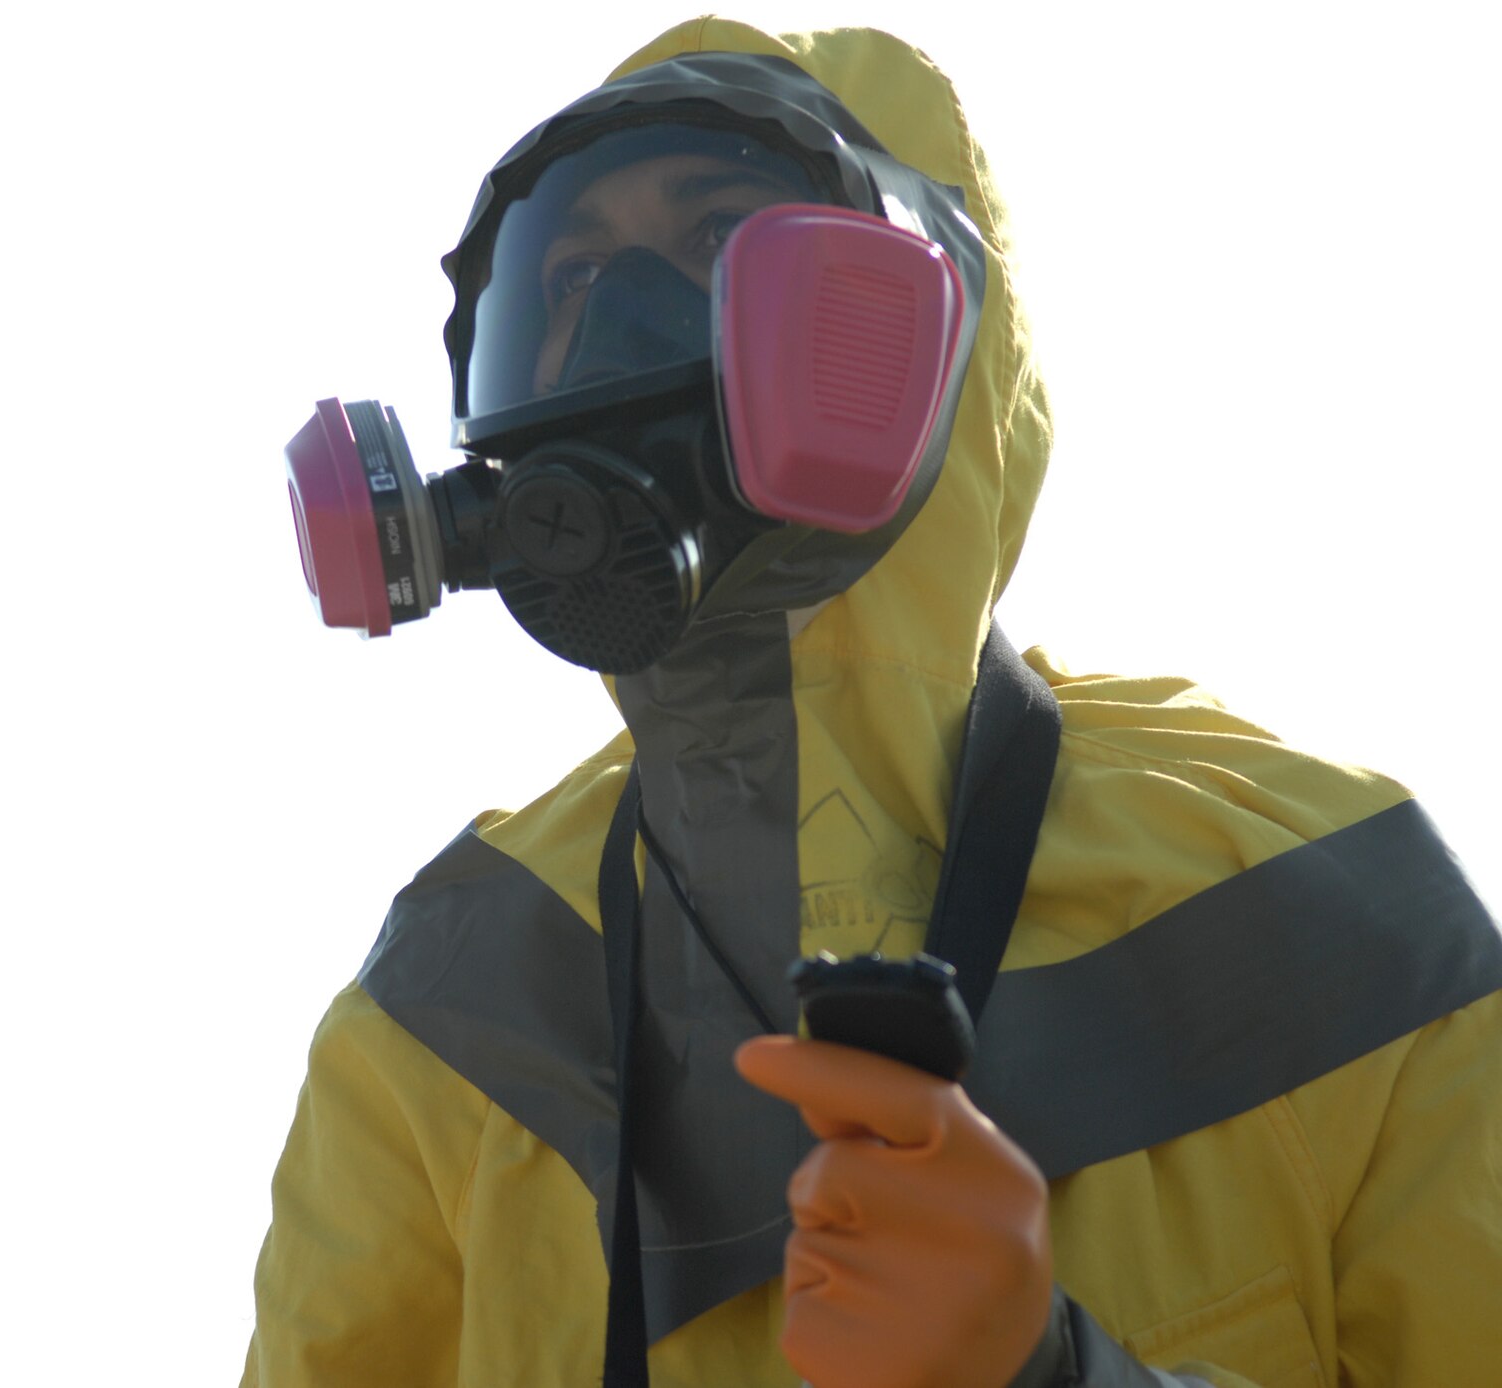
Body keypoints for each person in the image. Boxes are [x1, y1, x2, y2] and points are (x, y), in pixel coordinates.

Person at [243, 17, 1502, 1387]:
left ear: (925, 315)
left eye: (717, 232)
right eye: (575, 275)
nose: (618, 326)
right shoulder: (442, 1023)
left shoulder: (1324, 911)